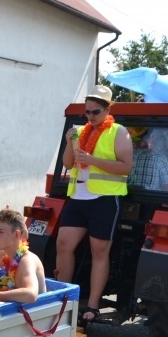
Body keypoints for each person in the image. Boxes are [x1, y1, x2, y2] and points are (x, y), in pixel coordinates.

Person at [56, 85, 133, 322]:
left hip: (105, 200)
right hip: (78, 197)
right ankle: (63, 298)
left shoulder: (119, 132)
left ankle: (92, 306)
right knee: (63, 245)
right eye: (87, 112)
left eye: (95, 112)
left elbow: (125, 167)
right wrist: (70, 142)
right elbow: (68, 164)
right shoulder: (81, 131)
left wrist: (92, 160)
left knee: (100, 253)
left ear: (108, 109)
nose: (90, 116)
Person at [0, 208, 46, 304]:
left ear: (16, 234)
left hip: (35, 313)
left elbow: (31, 294)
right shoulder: (1, 255)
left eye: (0, 232)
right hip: (15, 312)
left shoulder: (27, 260)